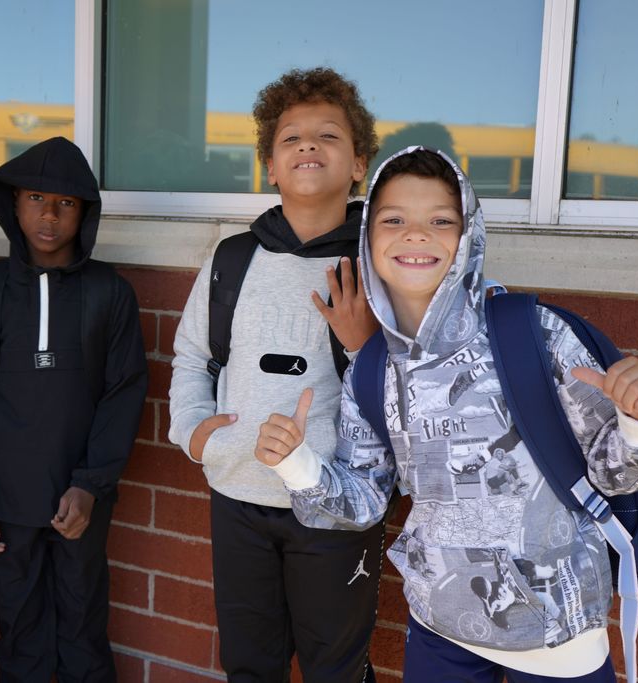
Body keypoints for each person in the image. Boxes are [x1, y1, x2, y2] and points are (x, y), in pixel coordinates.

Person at [256, 147, 638, 682]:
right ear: (368, 237)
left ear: (468, 238)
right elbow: (365, 499)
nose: (416, 234)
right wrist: (298, 466)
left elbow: (619, 475)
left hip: (555, 634)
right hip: (440, 628)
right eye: (394, 220)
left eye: (440, 220)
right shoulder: (371, 368)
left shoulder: (537, 334)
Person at [169, 67, 383, 682]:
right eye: (291, 138)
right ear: (269, 164)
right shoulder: (234, 258)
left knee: (334, 670)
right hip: (238, 496)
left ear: (359, 163)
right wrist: (194, 433)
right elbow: (192, 356)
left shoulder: (378, 264)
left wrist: (363, 344)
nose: (308, 146)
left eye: (328, 136)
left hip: (334, 503)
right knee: (249, 665)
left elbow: (412, 387)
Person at [0, 136, 147, 682]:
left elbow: (124, 391)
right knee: (18, 627)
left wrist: (90, 483)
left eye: (66, 203)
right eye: (36, 198)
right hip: (5, 498)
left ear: (84, 212)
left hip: (78, 501)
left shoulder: (108, 292)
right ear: (13, 204)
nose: (49, 214)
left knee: (83, 624)